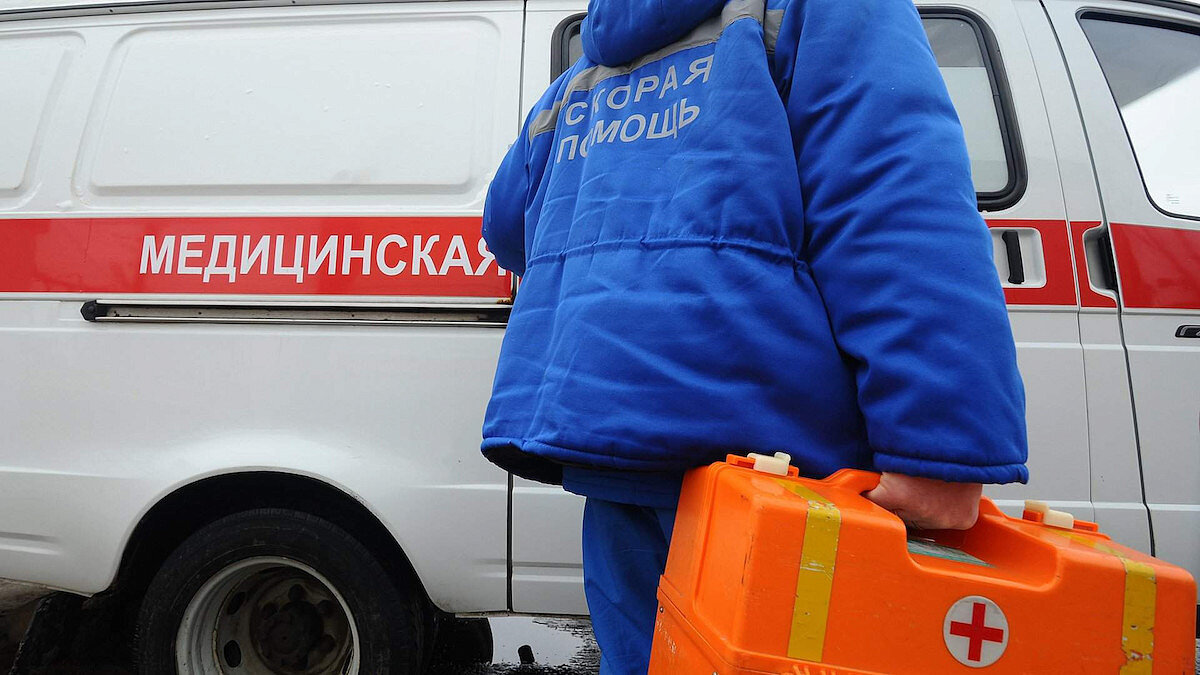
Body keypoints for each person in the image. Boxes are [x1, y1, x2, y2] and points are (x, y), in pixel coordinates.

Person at [478, 0, 1028, 672]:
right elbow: (897, 203)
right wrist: (938, 449)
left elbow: (506, 224)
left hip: (613, 449)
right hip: (777, 473)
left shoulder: (584, 75)